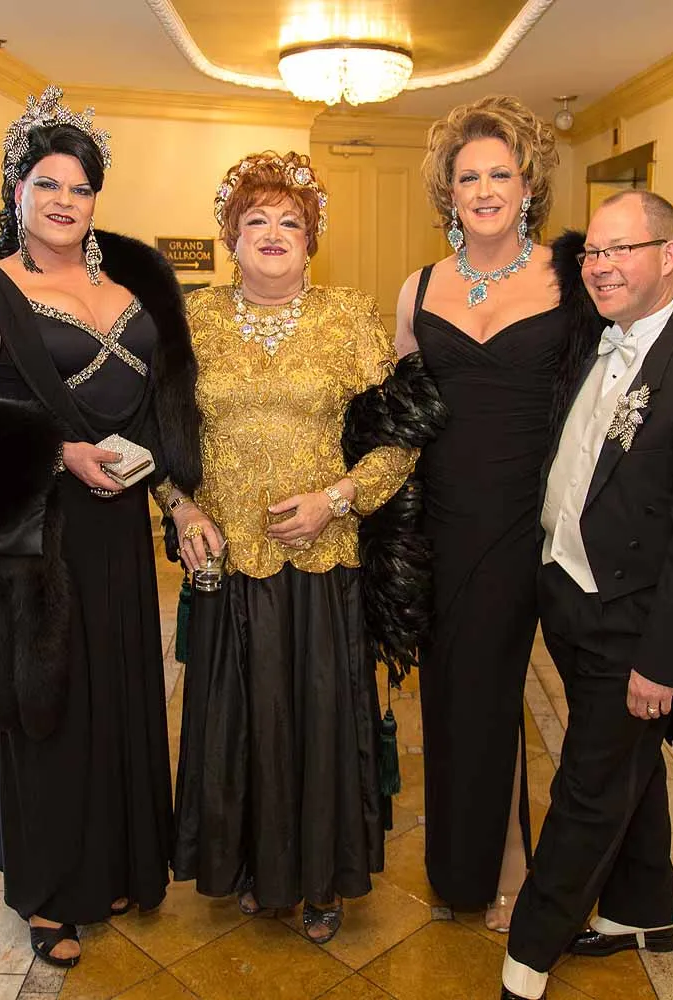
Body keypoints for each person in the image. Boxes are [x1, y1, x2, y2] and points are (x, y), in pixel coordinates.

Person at [0, 86, 200, 967]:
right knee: (50, 710)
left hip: (118, 535)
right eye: (47, 184)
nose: (64, 201)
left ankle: (114, 865)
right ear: (17, 192)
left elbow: (160, 406)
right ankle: (48, 893)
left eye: (80, 188)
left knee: (118, 696)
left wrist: (173, 493)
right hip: (37, 541)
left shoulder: (128, 286)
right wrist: (57, 455)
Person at [167, 151, 437, 944]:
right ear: (231, 236)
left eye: (291, 221)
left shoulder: (349, 317)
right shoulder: (192, 321)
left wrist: (334, 499)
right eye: (256, 219)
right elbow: (159, 436)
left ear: (312, 240)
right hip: (228, 566)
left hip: (326, 564)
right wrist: (182, 508)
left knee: (319, 723)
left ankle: (321, 878)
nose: (274, 233)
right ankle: (253, 867)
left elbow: (401, 441)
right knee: (240, 723)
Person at [501, 191, 673, 999]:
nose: (600, 266)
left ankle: (529, 954)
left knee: (588, 789)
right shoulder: (593, 340)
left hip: (634, 624)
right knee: (630, 763)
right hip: (569, 598)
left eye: (620, 250)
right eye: (593, 251)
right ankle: (641, 909)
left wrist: (663, 663)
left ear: (669, 255)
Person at [395, 94, 599, 930]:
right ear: (448, 191)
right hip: (439, 524)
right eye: (468, 176)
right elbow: (399, 417)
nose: (483, 189)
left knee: (490, 685)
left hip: (527, 519)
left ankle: (503, 862)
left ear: (528, 185)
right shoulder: (418, 287)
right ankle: (463, 866)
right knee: (450, 693)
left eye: (500, 174)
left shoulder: (570, 277)